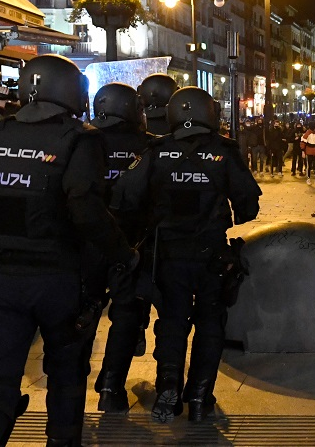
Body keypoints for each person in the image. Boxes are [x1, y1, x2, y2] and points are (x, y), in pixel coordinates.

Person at [0, 55, 135, 446]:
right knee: (66, 377)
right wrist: (123, 254)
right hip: (60, 280)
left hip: (1, 278)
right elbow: (85, 209)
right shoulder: (80, 137)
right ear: (72, 91)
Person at [111, 87, 260, 425]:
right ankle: (199, 396)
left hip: (167, 255)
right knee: (210, 322)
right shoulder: (224, 151)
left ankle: (168, 385)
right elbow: (248, 205)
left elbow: (125, 198)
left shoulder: (156, 150)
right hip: (211, 254)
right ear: (211, 114)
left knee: (173, 321)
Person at [89, 83, 155, 414]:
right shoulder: (149, 146)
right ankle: (111, 385)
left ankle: (71, 383)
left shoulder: (82, 139)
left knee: (81, 313)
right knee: (128, 314)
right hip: (133, 243)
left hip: (86, 241)